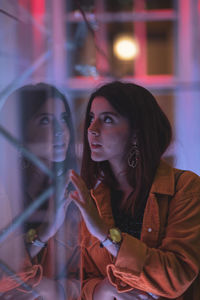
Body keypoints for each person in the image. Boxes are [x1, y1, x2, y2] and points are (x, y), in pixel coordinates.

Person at [69, 81, 200, 300]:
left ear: (137, 132)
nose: (92, 129)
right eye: (91, 118)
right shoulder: (92, 196)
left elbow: (176, 276)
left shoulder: (185, 188)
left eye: (107, 119)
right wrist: (99, 291)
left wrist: (105, 235)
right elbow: (79, 278)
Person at [0, 83, 80, 299]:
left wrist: (55, 291)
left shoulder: (78, 190)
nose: (60, 131)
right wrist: (43, 233)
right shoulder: (4, 192)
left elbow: (92, 273)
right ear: (19, 131)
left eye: (63, 119)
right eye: (45, 120)